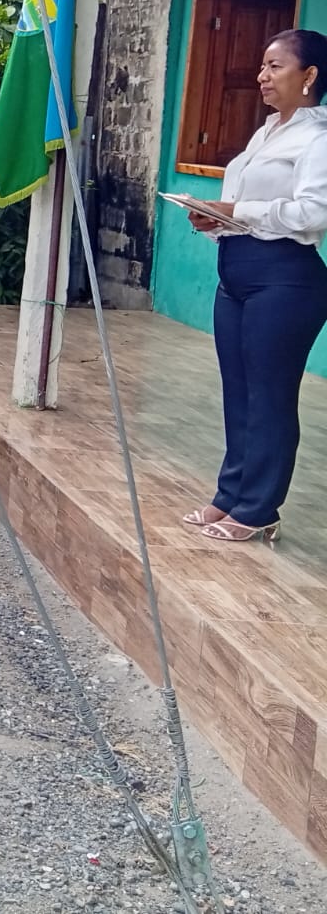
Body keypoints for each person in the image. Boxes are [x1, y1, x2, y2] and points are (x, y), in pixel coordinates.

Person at [183, 28, 327, 544]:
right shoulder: (265, 132)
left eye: (274, 66)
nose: (261, 76)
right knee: (239, 392)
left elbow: (314, 213)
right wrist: (213, 219)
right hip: (237, 274)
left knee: (269, 395)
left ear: (309, 76)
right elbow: (244, 209)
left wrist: (237, 210)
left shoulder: (318, 139)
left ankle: (260, 509)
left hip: (285, 281)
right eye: (262, 66)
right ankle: (231, 496)